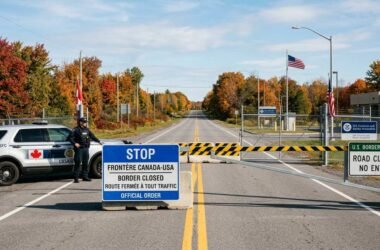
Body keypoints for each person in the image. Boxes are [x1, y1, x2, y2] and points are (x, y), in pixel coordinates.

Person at [69, 117, 102, 183]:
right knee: (78, 163)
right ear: (80, 122)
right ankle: (76, 178)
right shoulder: (75, 130)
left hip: (86, 148)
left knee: (85, 163)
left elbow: (92, 136)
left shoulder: (87, 130)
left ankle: (85, 177)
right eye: (84, 122)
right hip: (79, 149)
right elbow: (70, 138)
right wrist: (75, 143)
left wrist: (98, 141)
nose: (85, 123)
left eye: (85, 122)